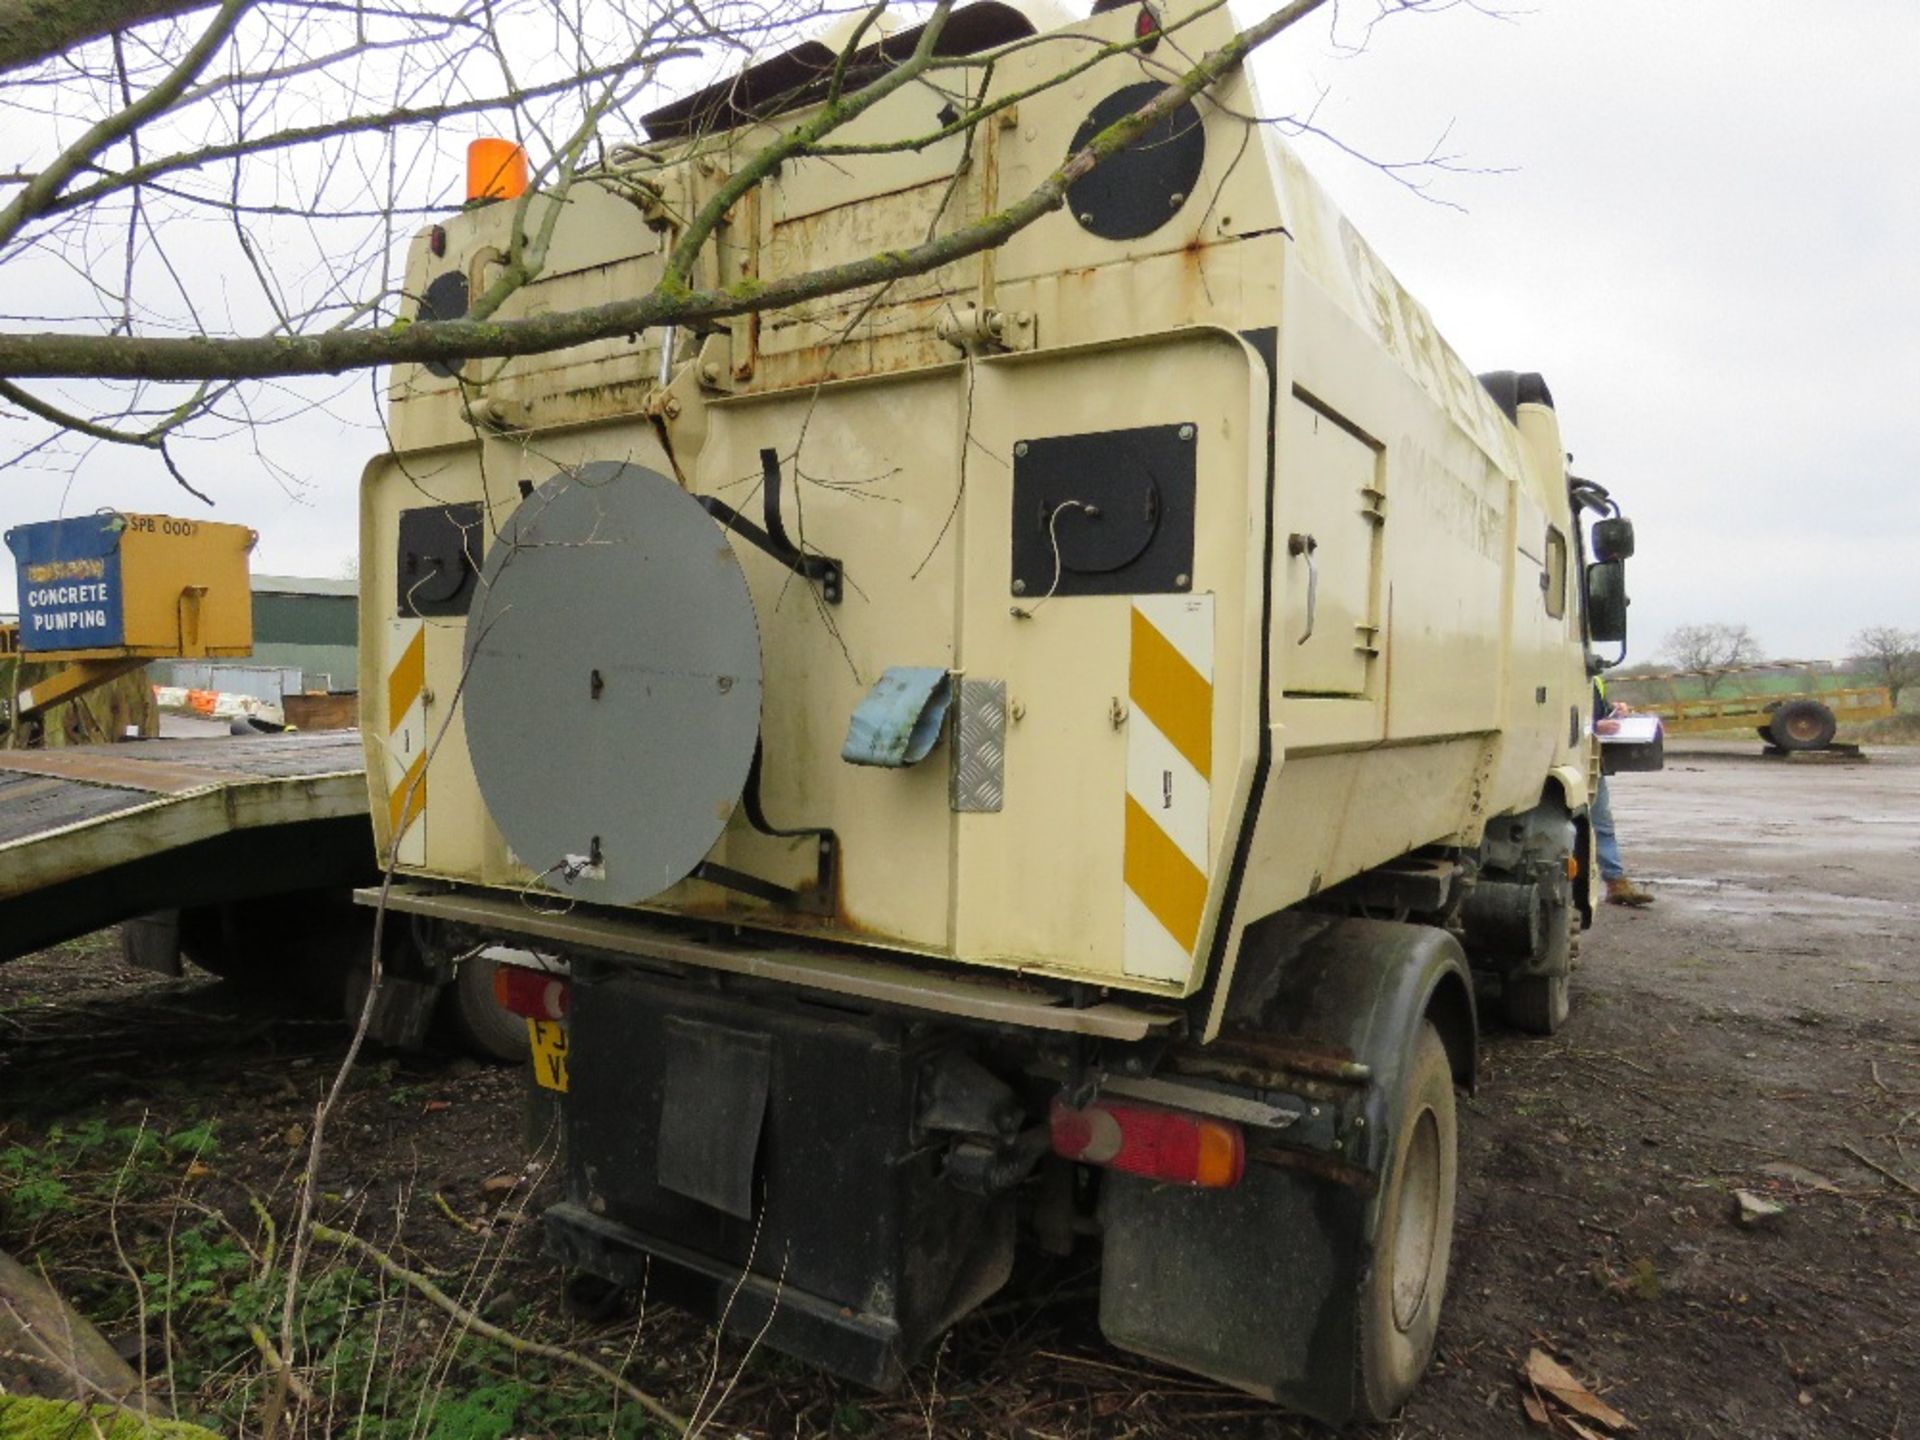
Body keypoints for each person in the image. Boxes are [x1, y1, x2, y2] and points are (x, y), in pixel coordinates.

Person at [1592, 685, 1654, 906]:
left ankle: (1616, 883)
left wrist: (1614, 712)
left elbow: (1594, 711)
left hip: (1589, 761)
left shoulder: (1594, 674)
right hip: (1558, 758)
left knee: (1602, 826)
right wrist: (1593, 726)